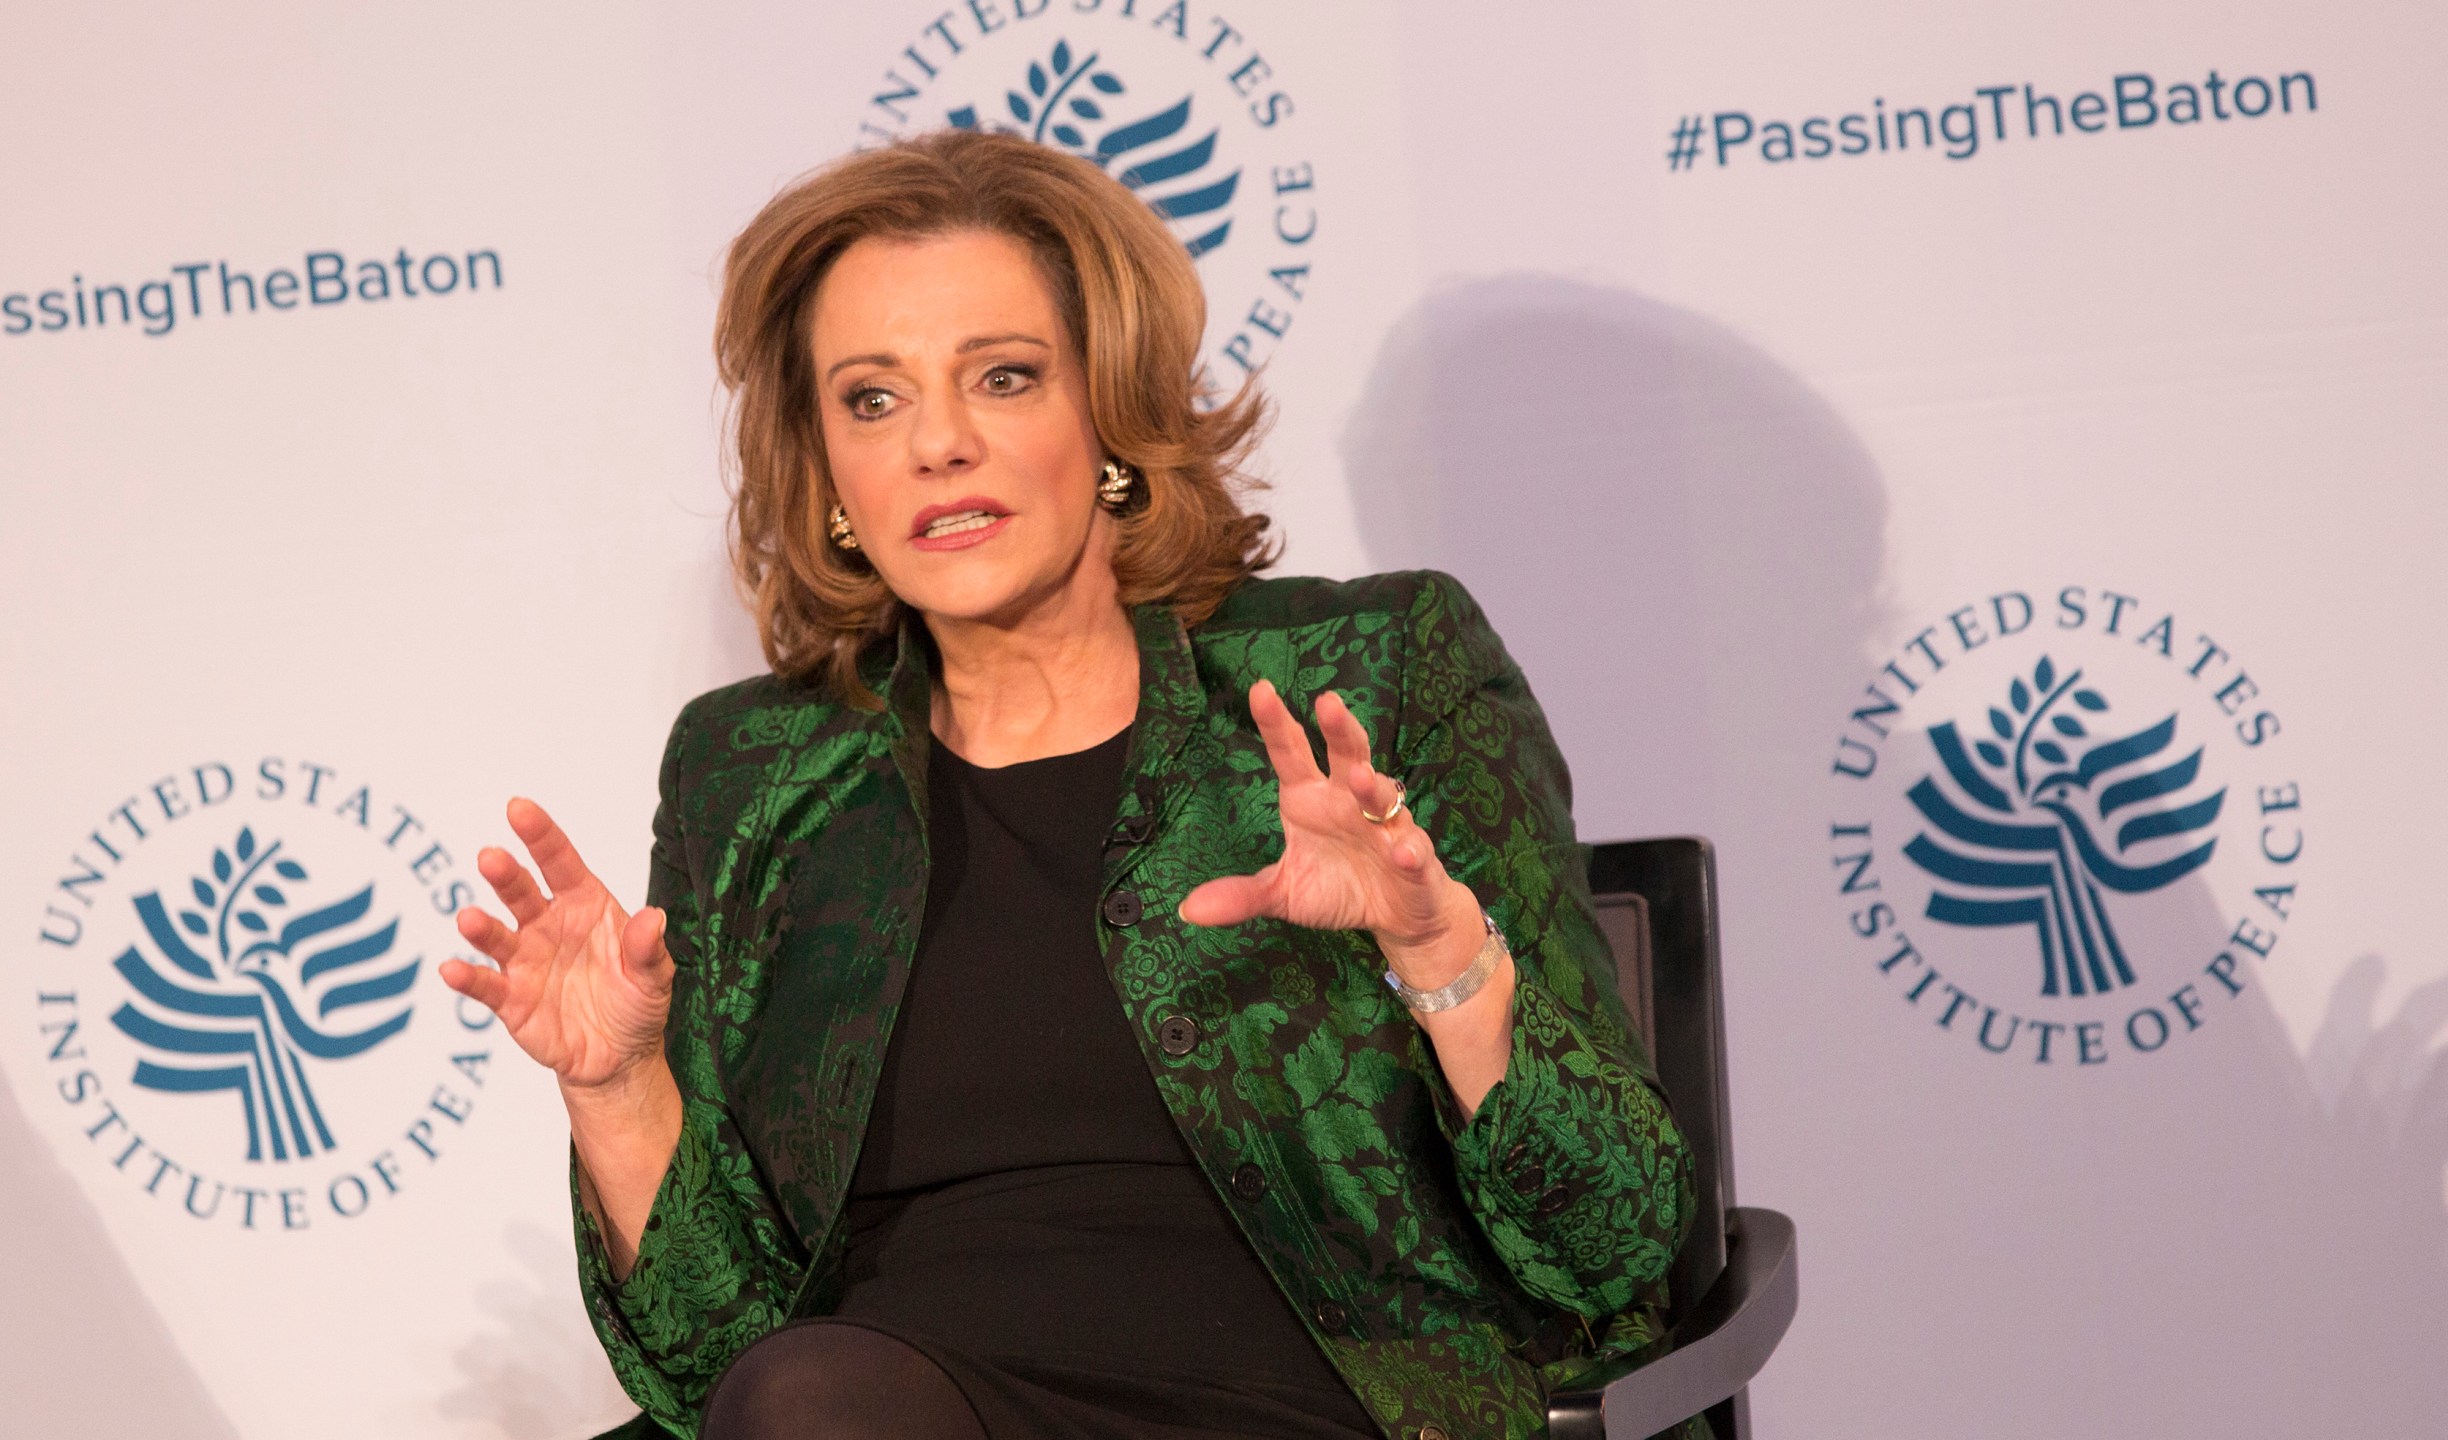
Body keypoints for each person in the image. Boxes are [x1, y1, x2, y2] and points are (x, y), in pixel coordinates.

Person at [438, 128, 1695, 1440]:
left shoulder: (1371, 672)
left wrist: (1444, 958)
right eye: (873, 398)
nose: (938, 445)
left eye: (1005, 377)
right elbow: (714, 1369)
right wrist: (616, 1086)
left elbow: (1617, 1245)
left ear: (1112, 417)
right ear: (829, 484)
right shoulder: (750, 773)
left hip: (1314, 1400)